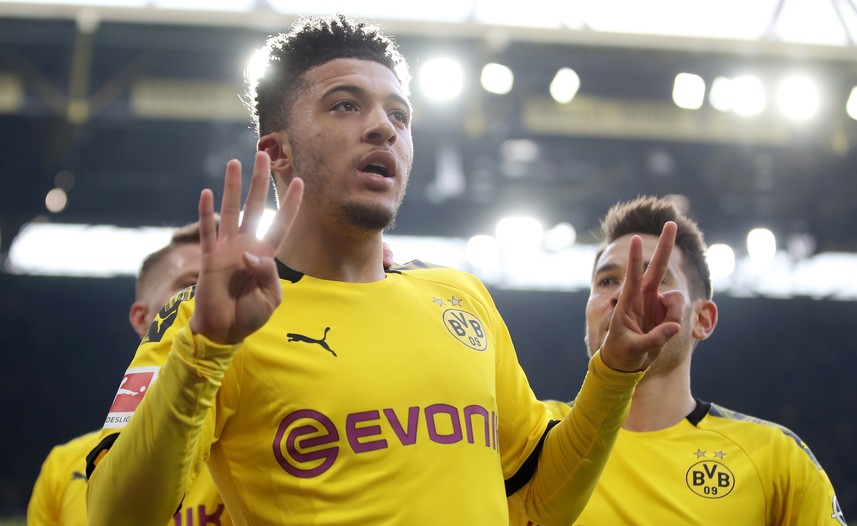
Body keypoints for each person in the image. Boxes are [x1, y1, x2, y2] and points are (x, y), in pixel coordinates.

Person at [85, 15, 685, 525]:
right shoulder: (210, 320)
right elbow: (114, 514)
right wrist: (206, 350)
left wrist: (615, 371)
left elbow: (537, 504)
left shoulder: (462, 298)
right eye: (346, 105)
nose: (383, 128)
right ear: (277, 151)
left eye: (399, 115)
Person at [508, 195, 845, 525]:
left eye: (653, 277)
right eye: (607, 281)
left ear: (702, 319)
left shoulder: (774, 457)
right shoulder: (527, 435)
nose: (623, 295)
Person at [28, 221, 231, 525]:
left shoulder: (263, 445)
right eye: (192, 286)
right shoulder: (62, 466)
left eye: (228, 286)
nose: (212, 299)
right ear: (143, 318)